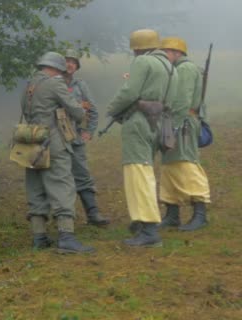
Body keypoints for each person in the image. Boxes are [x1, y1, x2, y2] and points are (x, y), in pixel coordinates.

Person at [106, 29, 178, 247]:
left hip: (138, 121)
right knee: (145, 170)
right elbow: (171, 100)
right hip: (158, 122)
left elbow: (130, 92)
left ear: (137, 48)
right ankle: (141, 223)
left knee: (137, 172)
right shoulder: (170, 67)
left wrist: (111, 109)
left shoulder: (142, 62)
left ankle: (148, 229)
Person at [21, 51, 94, 253]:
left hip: (31, 140)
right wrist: (80, 108)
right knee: (62, 185)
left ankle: (39, 237)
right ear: (56, 68)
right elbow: (77, 112)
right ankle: (66, 237)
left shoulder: (30, 84)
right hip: (53, 142)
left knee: (35, 187)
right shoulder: (55, 83)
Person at [159, 37, 211, 231]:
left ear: (177, 52)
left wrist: (174, 126)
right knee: (169, 166)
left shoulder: (186, 69)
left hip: (183, 123)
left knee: (187, 164)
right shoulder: (174, 70)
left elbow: (182, 100)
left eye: (167, 52)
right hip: (171, 122)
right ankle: (172, 214)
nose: (164, 56)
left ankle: (200, 213)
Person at [63, 49, 110, 226]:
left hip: (75, 138)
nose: (69, 64)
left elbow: (93, 110)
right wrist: (76, 105)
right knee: (55, 177)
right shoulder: (51, 82)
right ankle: (61, 217)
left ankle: (93, 214)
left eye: (73, 62)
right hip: (54, 138)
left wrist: (88, 131)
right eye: (67, 61)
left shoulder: (80, 85)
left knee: (82, 174)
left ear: (76, 67)